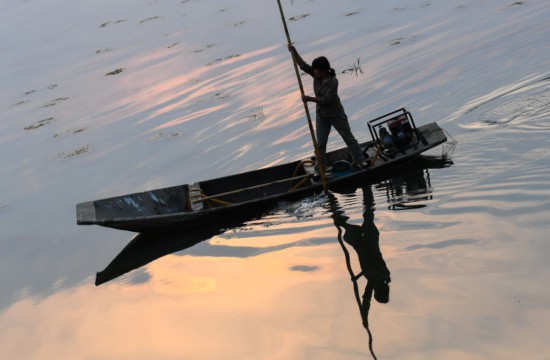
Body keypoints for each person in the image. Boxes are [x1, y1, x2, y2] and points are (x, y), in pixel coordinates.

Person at [288, 45, 370, 174]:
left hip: (335, 113)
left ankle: (360, 160)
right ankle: (320, 169)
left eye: (316, 70)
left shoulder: (333, 81)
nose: (314, 72)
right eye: (314, 70)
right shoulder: (316, 76)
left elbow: (326, 100)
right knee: (320, 144)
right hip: (321, 115)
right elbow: (302, 65)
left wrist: (310, 99)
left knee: (348, 138)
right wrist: (294, 51)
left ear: (323, 70)